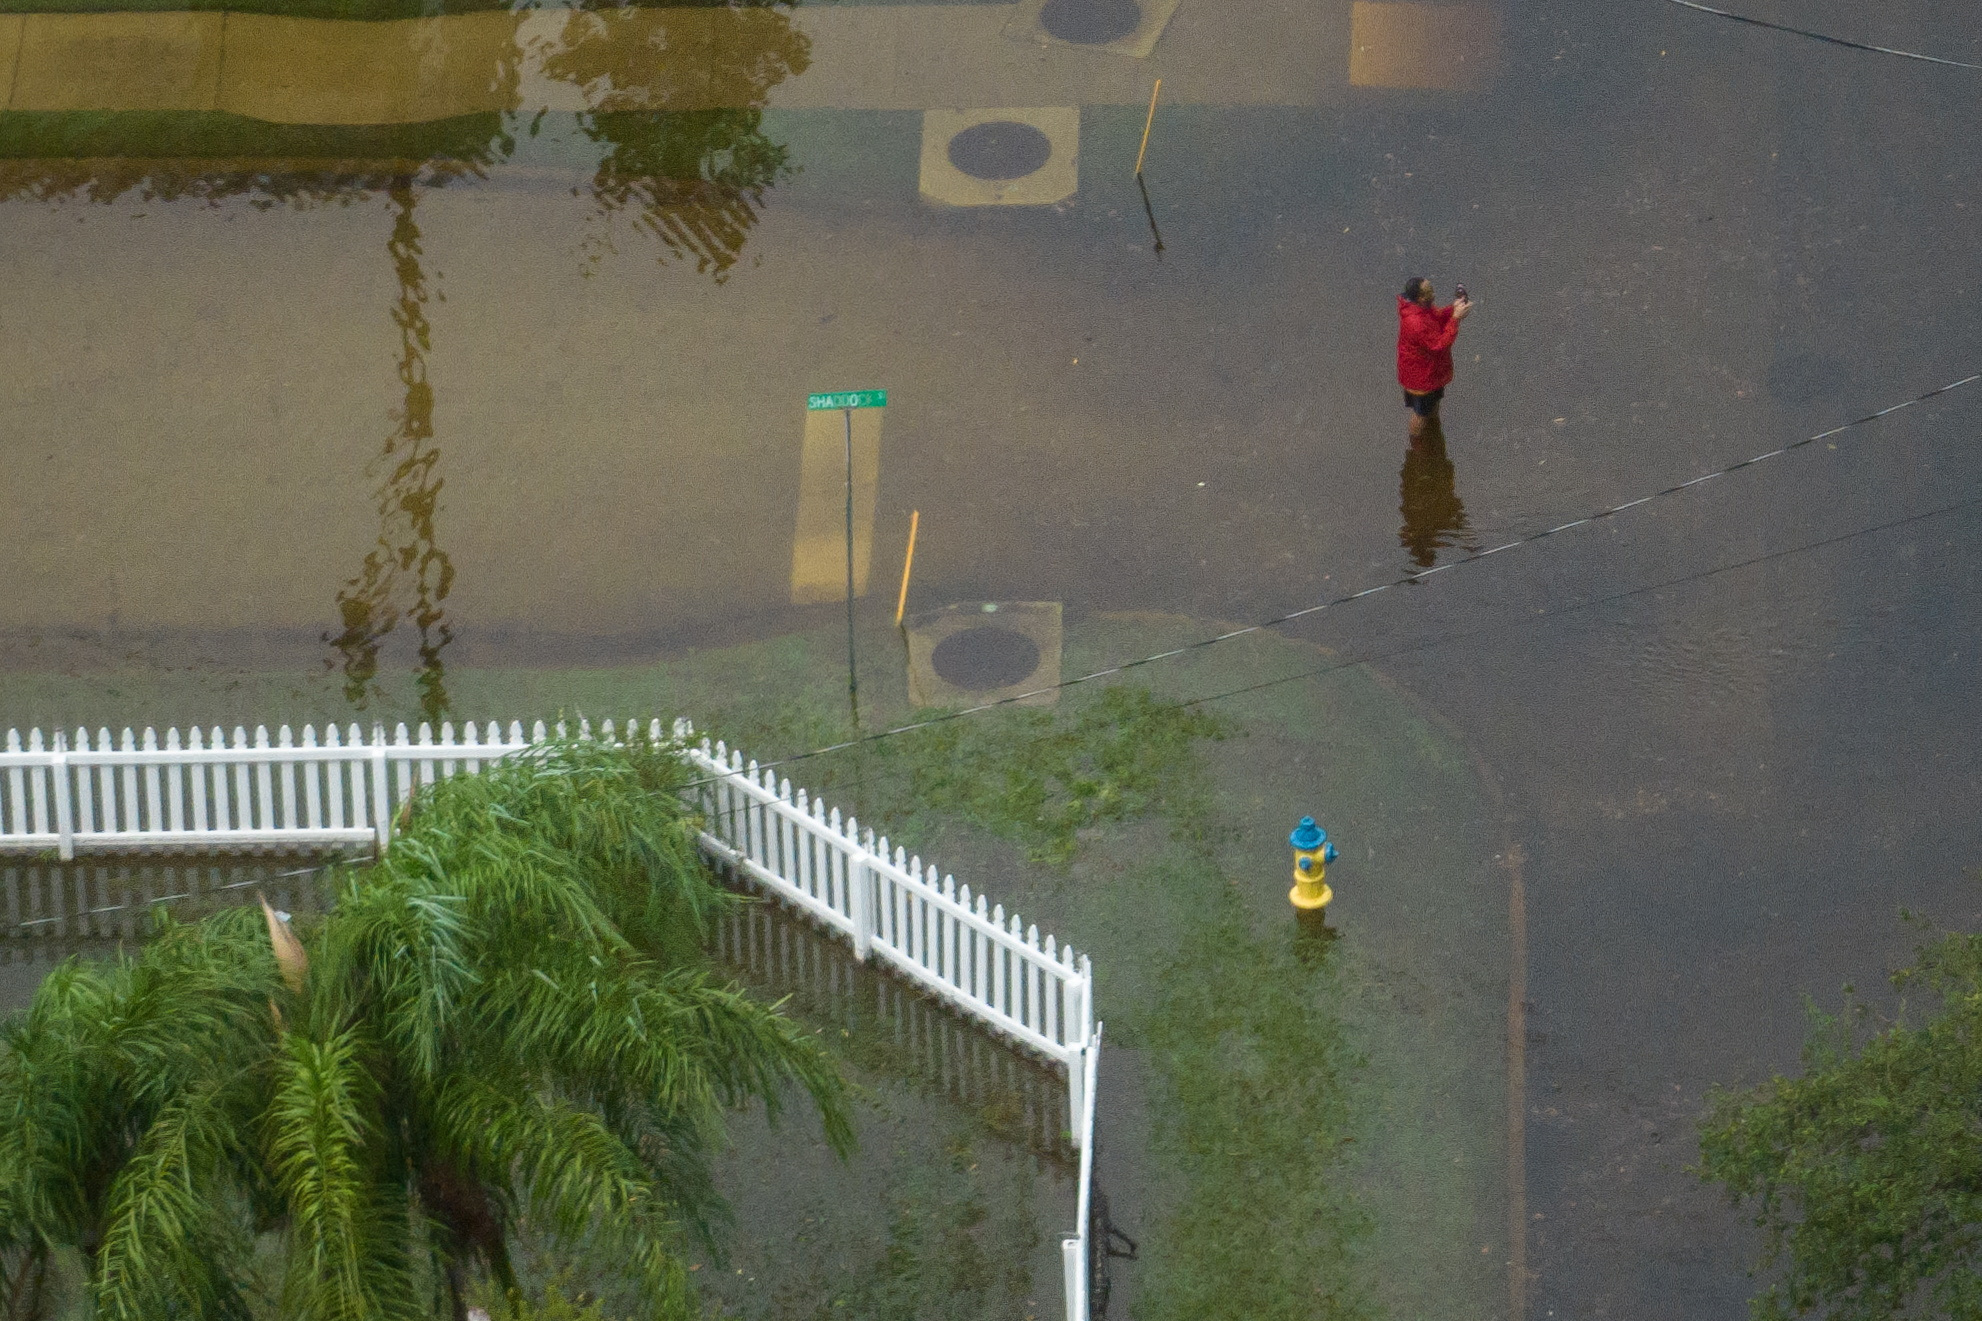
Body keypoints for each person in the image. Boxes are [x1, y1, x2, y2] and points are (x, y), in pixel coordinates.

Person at [1396, 276, 1474, 439]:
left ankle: (1432, 430)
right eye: (1429, 291)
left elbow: (1436, 317)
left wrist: (1452, 309)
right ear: (1420, 297)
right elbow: (1440, 345)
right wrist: (1455, 318)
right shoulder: (1415, 323)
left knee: (1431, 407)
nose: (1434, 294)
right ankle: (1416, 444)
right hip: (1422, 379)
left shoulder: (1420, 308)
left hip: (1430, 373)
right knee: (1420, 414)